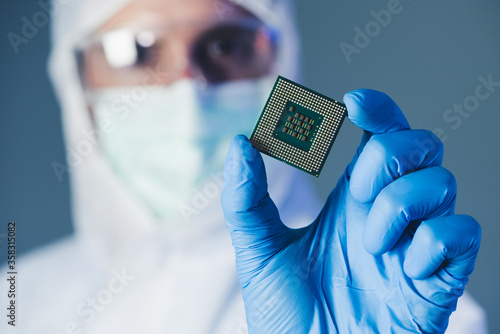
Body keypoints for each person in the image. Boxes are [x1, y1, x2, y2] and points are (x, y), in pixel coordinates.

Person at [1, 0, 487, 333]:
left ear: (284, 65)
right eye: (135, 50)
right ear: (75, 82)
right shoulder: (15, 305)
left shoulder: (414, 307)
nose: (187, 89)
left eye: (226, 45)